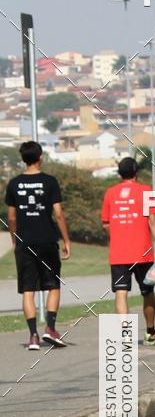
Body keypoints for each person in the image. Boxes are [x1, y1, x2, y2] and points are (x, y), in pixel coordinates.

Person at [4, 140, 71, 349]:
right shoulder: (50, 181)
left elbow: (11, 217)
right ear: (40, 157)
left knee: (28, 290)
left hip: (25, 242)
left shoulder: (14, 183)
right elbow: (58, 213)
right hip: (48, 240)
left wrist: (15, 239)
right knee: (53, 285)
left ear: (23, 159)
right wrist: (66, 239)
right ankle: (50, 328)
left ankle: (33, 336)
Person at [101, 157, 155, 345]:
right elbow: (152, 220)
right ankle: (151, 331)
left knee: (121, 293)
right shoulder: (146, 191)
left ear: (120, 174)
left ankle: (125, 336)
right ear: (136, 172)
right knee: (147, 292)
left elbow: (106, 223)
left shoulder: (110, 193)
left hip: (119, 254)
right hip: (142, 252)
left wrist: (119, 234)